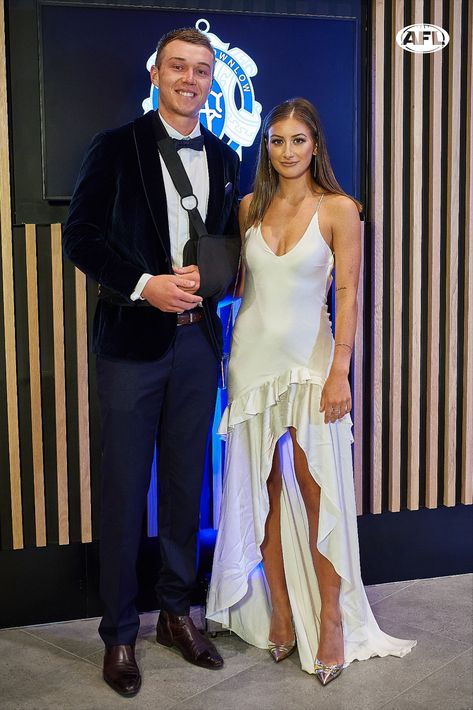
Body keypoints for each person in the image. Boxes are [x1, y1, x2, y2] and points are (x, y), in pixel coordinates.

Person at [206, 98, 416, 685]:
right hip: (249, 363)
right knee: (263, 489)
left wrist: (340, 369)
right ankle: (277, 610)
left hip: (311, 362)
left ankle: (330, 620)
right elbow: (238, 288)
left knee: (316, 485)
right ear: (266, 147)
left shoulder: (341, 209)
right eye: (277, 140)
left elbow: (347, 294)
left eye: (298, 140)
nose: (287, 151)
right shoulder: (249, 207)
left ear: (315, 145)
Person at [63, 27, 240, 697]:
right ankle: (118, 634)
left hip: (198, 346)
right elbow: (81, 237)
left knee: (185, 488)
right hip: (131, 347)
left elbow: (223, 243)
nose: (189, 78)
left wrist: (214, 281)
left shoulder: (224, 157)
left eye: (200, 70)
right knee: (121, 491)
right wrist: (144, 285)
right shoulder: (113, 148)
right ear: (156, 74)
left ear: (209, 81)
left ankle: (175, 613)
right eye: (178, 67)